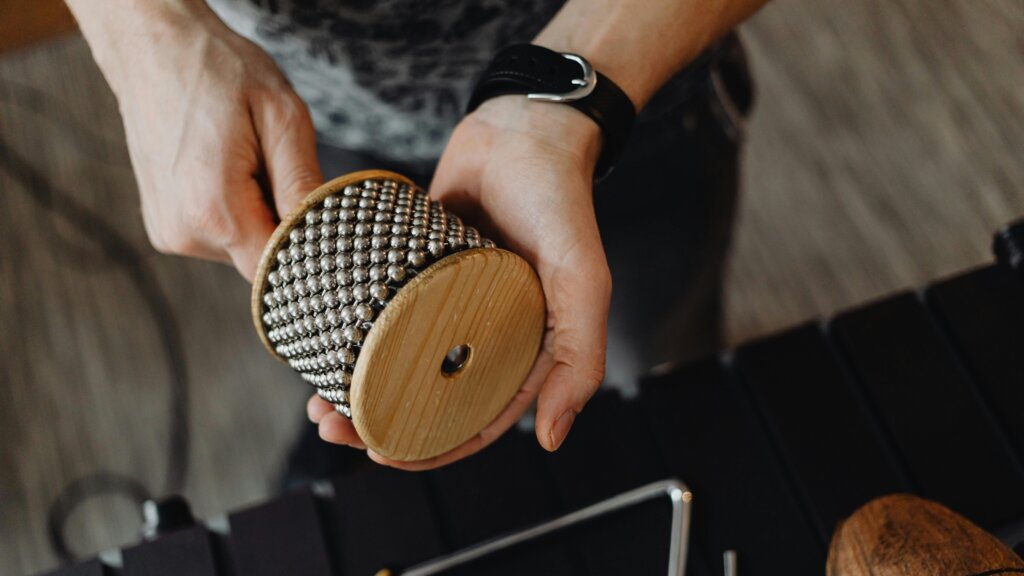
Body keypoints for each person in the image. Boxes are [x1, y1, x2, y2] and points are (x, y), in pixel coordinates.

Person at [66, 0, 763, 471]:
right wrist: (147, 35)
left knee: (653, 375)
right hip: (313, 118)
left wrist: (570, 95)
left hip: (624, 97)